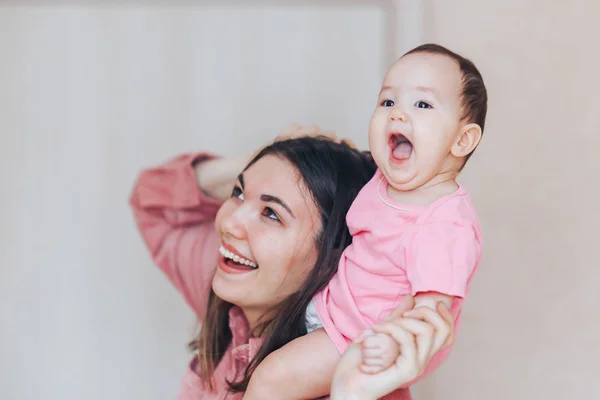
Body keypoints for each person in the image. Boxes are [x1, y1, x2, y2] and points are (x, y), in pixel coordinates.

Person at [244, 43, 488, 399]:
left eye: (422, 104)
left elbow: (431, 314)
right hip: (330, 305)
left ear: (462, 139)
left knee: (270, 380)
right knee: (256, 341)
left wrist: (390, 347)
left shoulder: (445, 223)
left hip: (358, 336)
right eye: (388, 101)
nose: (397, 114)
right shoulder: (385, 178)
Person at [131, 129, 451, 399]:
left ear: (332, 261)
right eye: (238, 193)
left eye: (271, 214)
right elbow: (152, 201)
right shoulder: (234, 284)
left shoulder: (354, 384)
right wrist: (267, 164)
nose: (230, 223)